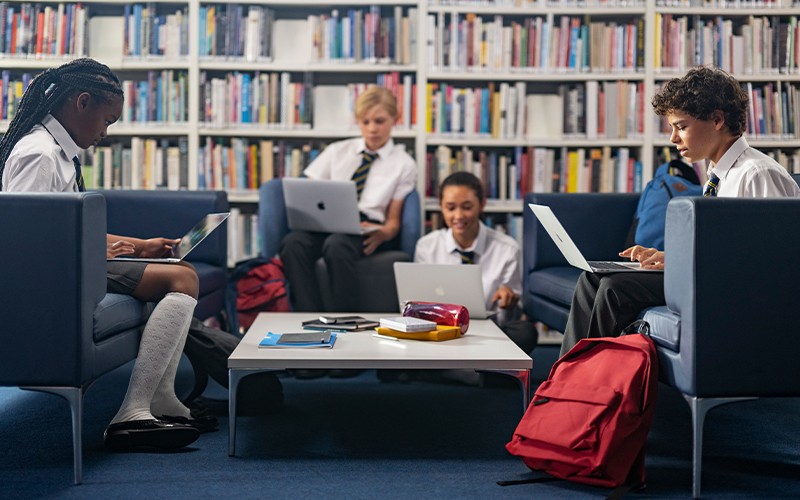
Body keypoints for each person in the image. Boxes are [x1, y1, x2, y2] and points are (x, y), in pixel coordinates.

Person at [0, 58, 215, 451]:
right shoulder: (39, 155)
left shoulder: (57, 150)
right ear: (82, 102)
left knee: (173, 270)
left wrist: (138, 245)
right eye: (108, 120)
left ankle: (161, 399)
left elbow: (61, 223)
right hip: (58, 274)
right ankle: (132, 414)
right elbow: (24, 242)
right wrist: (95, 252)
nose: (105, 132)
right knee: (182, 277)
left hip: (71, 263)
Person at [559, 66, 800, 357]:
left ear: (717, 120)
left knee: (614, 288)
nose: (673, 138)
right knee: (592, 279)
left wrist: (683, 266)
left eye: (681, 126)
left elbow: (772, 264)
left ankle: (586, 389)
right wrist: (670, 259)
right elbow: (726, 248)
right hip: (710, 277)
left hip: (730, 290)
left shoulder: (757, 174)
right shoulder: (719, 175)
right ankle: (567, 383)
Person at [279, 86, 417, 313]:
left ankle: (345, 316)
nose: (372, 129)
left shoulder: (404, 164)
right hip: (326, 222)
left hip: (365, 226)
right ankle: (308, 313)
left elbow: (393, 222)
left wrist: (383, 233)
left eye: (380, 121)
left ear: (395, 119)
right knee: (293, 244)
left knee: (337, 245)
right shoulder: (337, 150)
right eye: (366, 121)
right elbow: (309, 192)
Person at [414, 171, 538, 354]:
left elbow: (508, 317)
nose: (458, 216)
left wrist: (509, 301)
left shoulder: (507, 248)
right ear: (441, 207)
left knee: (525, 333)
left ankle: (446, 371)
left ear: (482, 204)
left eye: (466, 207)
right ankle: (478, 375)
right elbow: (420, 304)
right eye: (450, 208)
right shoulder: (427, 246)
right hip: (440, 331)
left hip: (489, 333)